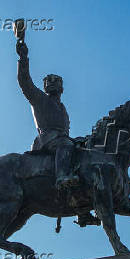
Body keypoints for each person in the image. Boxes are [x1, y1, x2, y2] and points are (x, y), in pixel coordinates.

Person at [16, 40, 78, 190]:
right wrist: (23, 58)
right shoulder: (39, 98)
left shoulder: (62, 108)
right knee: (66, 145)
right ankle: (62, 176)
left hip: (62, 139)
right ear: (45, 87)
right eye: (49, 82)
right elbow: (24, 81)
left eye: (56, 82)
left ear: (61, 88)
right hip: (47, 140)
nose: (52, 84)